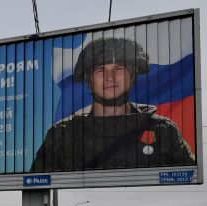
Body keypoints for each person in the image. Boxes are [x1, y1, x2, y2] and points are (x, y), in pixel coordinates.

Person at [31, 37, 195, 172]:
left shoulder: (163, 131)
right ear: (89, 81)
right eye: (100, 70)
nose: (110, 77)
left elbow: (189, 174)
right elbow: (35, 181)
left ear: (131, 77)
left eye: (119, 68)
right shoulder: (62, 135)